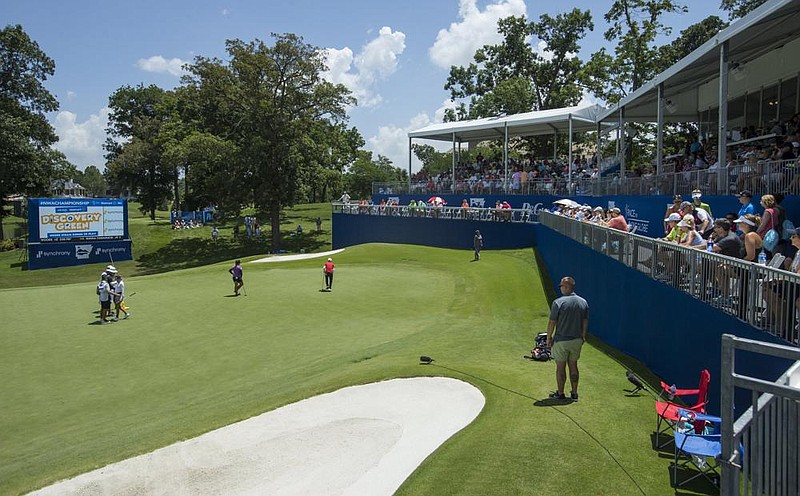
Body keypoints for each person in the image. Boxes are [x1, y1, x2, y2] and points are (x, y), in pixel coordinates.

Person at [546, 276, 589, 401]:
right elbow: (585, 321)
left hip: (561, 340)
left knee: (560, 367)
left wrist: (549, 338)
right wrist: (583, 336)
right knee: (573, 365)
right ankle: (574, 393)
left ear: (566, 287)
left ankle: (560, 393)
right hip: (577, 340)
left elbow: (552, 322)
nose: (561, 288)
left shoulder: (558, 302)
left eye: (562, 286)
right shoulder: (583, 302)